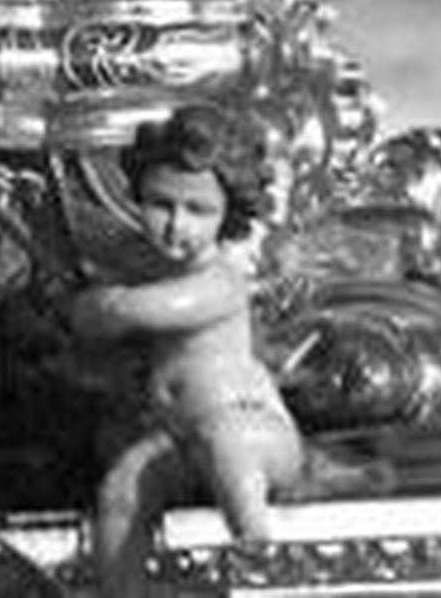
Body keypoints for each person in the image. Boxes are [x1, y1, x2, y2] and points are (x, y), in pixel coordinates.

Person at [69, 104, 302, 598]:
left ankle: (255, 538)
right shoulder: (147, 267)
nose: (177, 225)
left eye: (198, 211)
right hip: (180, 442)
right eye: (161, 204)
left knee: (227, 441)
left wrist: (108, 304)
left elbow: (152, 310)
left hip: (254, 430)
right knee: (124, 489)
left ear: (229, 215)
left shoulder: (220, 281)